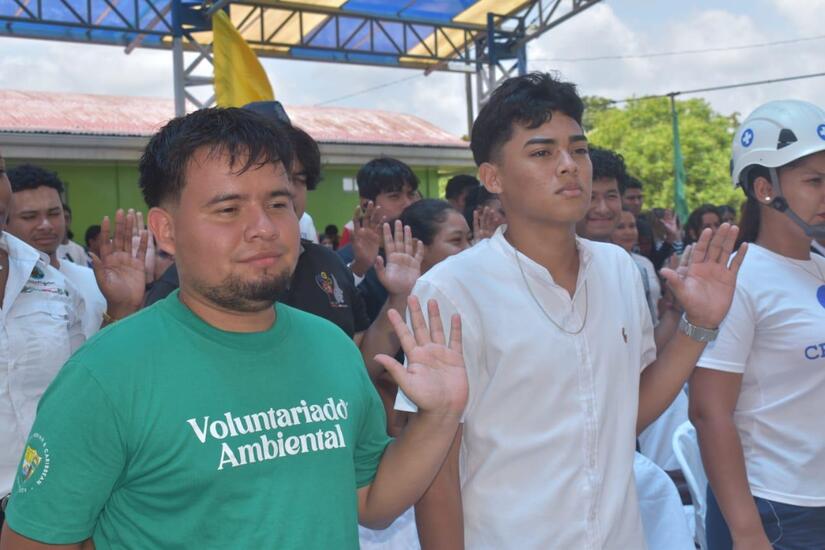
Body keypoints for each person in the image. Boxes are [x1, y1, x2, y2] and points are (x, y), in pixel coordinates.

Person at [0, 107, 467, 550]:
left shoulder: (330, 346)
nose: (263, 228)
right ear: (165, 230)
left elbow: (371, 502)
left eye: (278, 203)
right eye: (228, 209)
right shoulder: (104, 376)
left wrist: (440, 414)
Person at [398, 72, 745, 549]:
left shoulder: (618, 268)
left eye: (577, 149)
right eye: (542, 153)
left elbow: (626, 413)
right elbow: (434, 472)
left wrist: (699, 325)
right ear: (492, 177)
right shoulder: (451, 289)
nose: (569, 166)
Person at [690, 99, 825, 550]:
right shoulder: (738, 277)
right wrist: (747, 533)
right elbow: (710, 412)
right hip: (776, 508)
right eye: (815, 180)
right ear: (765, 188)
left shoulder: (820, 263)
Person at [0, 149, 85, 529]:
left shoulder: (50, 281)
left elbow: (83, 389)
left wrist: (124, 308)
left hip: (51, 497)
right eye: (31, 216)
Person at [5, 165, 106, 338]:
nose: (46, 225)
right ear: (4, 223)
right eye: (30, 217)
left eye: (53, 214)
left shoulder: (93, 280)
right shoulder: (6, 290)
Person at [338, 158, 420, 322]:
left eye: (411, 194)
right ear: (366, 204)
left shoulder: (422, 247)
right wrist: (359, 267)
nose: (408, 203)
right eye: (395, 196)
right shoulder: (348, 261)